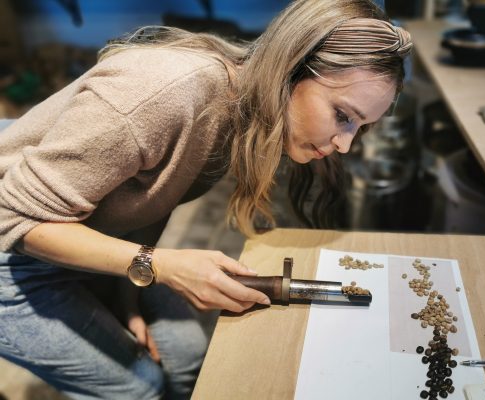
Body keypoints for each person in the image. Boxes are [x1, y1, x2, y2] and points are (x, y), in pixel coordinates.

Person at [0, 0, 412, 398]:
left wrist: (128, 290)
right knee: (138, 386)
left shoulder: (241, 114)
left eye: (360, 126)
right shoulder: (163, 95)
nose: (344, 144)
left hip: (80, 233)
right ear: (291, 67)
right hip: (14, 252)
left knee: (187, 359)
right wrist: (155, 265)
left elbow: (147, 200)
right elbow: (12, 217)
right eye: (343, 115)